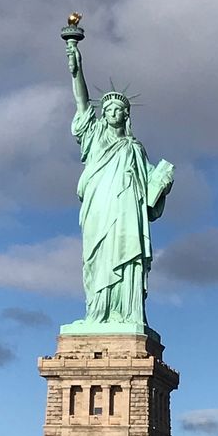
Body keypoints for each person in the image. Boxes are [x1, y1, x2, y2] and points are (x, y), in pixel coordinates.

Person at [65, 37, 174, 329]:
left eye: (119, 110)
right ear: (103, 114)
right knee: (97, 257)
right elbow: (81, 102)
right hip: (99, 206)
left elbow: (150, 187)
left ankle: (128, 313)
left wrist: (163, 182)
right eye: (109, 109)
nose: (113, 113)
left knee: (127, 258)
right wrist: (77, 69)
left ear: (126, 115)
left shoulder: (135, 148)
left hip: (127, 211)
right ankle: (97, 313)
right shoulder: (94, 136)